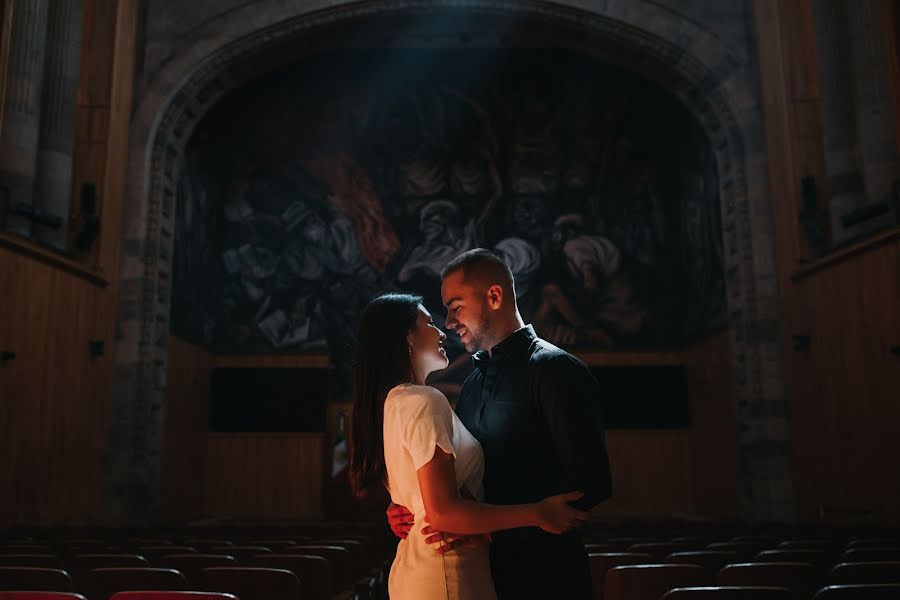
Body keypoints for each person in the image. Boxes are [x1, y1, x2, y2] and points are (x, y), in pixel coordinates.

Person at [387, 249, 613, 599]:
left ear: (494, 296)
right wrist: (412, 506)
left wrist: (490, 529)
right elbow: (465, 474)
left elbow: (591, 481)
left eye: (456, 306)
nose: (448, 322)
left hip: (547, 578)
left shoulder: (556, 370)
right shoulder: (474, 385)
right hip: (483, 575)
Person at [349, 293, 591, 600]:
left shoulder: (393, 402)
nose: (442, 331)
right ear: (407, 337)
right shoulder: (424, 400)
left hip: (427, 567)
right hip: (448, 571)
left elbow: (428, 502)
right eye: (430, 323)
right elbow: (443, 513)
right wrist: (538, 513)